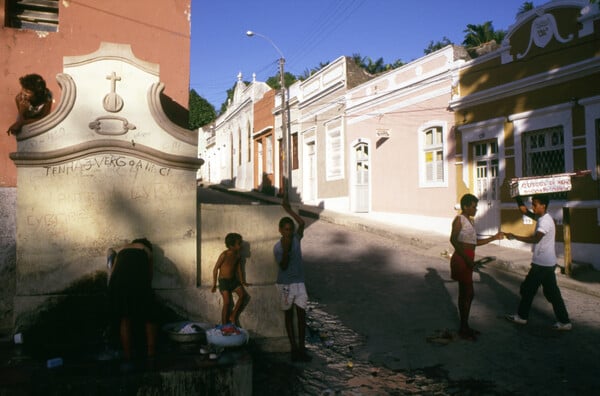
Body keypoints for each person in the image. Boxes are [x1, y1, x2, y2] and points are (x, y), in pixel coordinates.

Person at [505, 194, 572, 330]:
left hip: (542, 264)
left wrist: (514, 236)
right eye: (532, 204)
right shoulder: (541, 217)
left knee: (528, 289)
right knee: (550, 293)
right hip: (546, 263)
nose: (532, 207)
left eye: (535, 204)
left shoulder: (545, 222)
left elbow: (536, 239)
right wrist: (517, 197)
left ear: (543, 205)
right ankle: (564, 322)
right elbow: (524, 211)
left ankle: (522, 317)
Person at [450, 193, 504, 340]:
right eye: (474, 207)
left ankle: (465, 326)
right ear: (466, 206)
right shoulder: (459, 220)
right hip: (462, 259)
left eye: (476, 207)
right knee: (467, 293)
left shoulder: (470, 221)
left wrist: (493, 237)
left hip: (467, 258)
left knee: (467, 293)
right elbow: (453, 240)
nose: (476, 209)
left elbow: (474, 243)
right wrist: (466, 258)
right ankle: (463, 328)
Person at [273, 196, 311, 362]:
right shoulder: (278, 247)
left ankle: (302, 348)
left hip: (299, 282)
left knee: (302, 315)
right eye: (286, 230)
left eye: (290, 229)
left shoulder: (296, 239)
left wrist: (288, 210)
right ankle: (293, 348)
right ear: (280, 230)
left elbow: (302, 224)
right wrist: (287, 250)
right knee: (288, 315)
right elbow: (283, 266)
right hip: (285, 284)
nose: (289, 232)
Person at [107, 238, 157, 363]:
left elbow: (112, 273)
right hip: (138, 282)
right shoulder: (146, 250)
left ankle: (127, 356)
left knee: (125, 318)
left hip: (118, 284)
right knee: (150, 317)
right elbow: (149, 276)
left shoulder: (122, 250)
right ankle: (151, 354)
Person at [212, 232, 249, 325]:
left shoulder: (237, 255)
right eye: (239, 244)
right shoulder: (224, 255)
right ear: (231, 246)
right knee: (227, 302)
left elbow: (239, 270)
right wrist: (214, 284)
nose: (241, 246)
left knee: (243, 295)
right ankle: (224, 325)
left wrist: (242, 281)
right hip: (223, 281)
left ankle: (233, 315)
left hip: (233, 280)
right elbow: (215, 269)